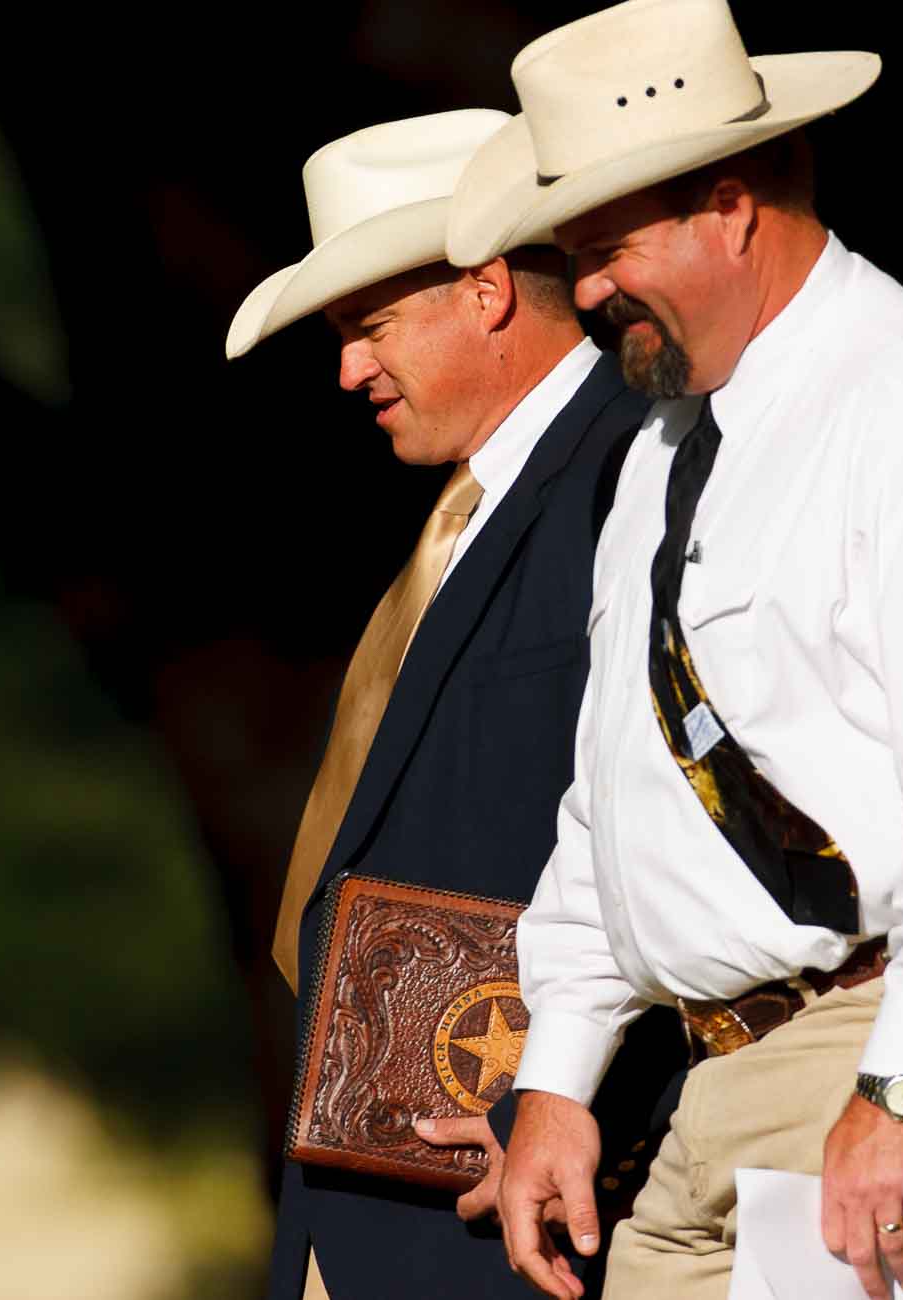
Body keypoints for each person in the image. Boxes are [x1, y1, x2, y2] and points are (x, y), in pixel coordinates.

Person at [443, 3, 903, 1298]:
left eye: (606, 247)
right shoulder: (664, 453)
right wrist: (555, 1075)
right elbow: (618, 798)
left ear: (729, 205)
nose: (584, 292)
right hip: (742, 1083)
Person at [227, 108, 676, 1300]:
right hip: (366, 1206)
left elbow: (673, 828)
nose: (347, 369)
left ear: (485, 291)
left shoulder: (638, 475)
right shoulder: (472, 514)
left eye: (369, 327)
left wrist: (575, 1107)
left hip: (514, 1210)